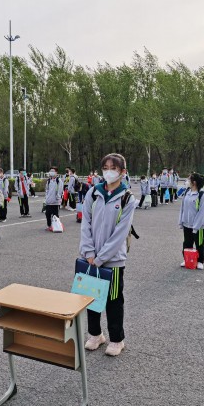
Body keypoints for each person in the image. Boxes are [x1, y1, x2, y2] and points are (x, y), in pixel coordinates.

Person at [80, 153, 136, 357]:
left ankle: (116, 339)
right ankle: (95, 334)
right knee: (91, 297)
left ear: (123, 172)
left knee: (113, 300)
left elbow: (120, 234)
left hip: (113, 260)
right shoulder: (94, 192)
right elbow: (85, 222)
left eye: (113, 168)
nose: (108, 172)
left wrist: (101, 257)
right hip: (90, 256)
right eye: (105, 168)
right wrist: (89, 252)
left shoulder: (127, 198)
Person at [179, 173, 204, 270]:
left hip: (199, 226)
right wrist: (181, 221)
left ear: (194, 182)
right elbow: (182, 208)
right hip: (187, 223)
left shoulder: (202, 195)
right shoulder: (187, 192)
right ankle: (187, 259)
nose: (187, 181)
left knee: (199, 243)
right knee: (187, 243)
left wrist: (196, 227)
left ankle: (200, 261)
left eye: (189, 179)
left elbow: (202, 212)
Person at [44, 166, 64, 231]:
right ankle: (49, 226)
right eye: (50, 171)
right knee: (47, 214)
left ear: (56, 172)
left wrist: (58, 198)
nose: (51, 172)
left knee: (55, 215)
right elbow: (47, 189)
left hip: (56, 202)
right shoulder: (49, 181)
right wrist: (46, 197)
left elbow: (60, 190)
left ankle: (56, 226)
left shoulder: (59, 181)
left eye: (53, 171)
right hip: (49, 201)